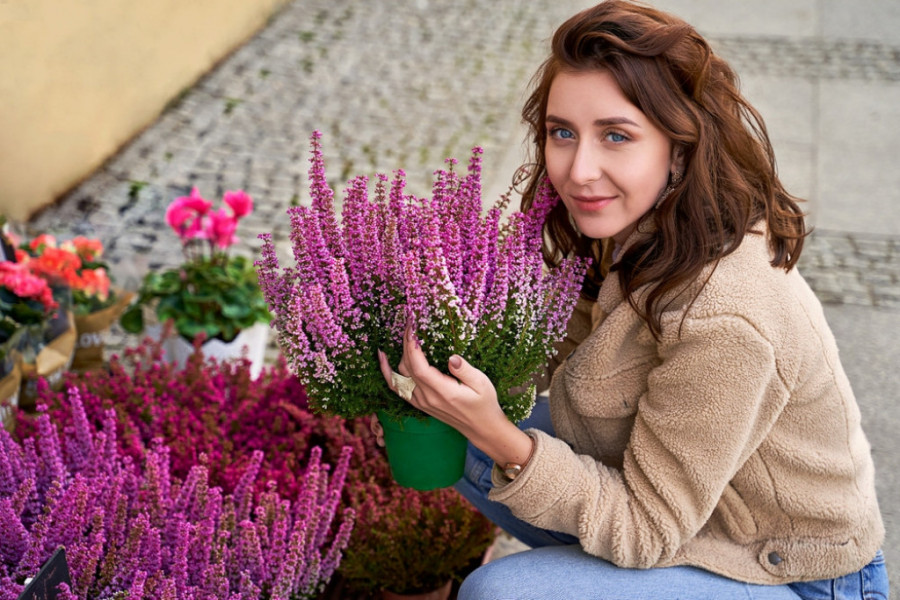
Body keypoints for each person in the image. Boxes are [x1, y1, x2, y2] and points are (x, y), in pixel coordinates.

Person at [373, 1, 888, 597]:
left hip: (789, 570)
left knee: (503, 591)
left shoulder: (727, 313)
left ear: (681, 145)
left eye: (616, 135)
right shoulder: (631, 224)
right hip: (688, 513)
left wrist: (500, 436)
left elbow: (646, 528)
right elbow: (543, 351)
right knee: (445, 426)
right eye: (562, 132)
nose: (578, 170)